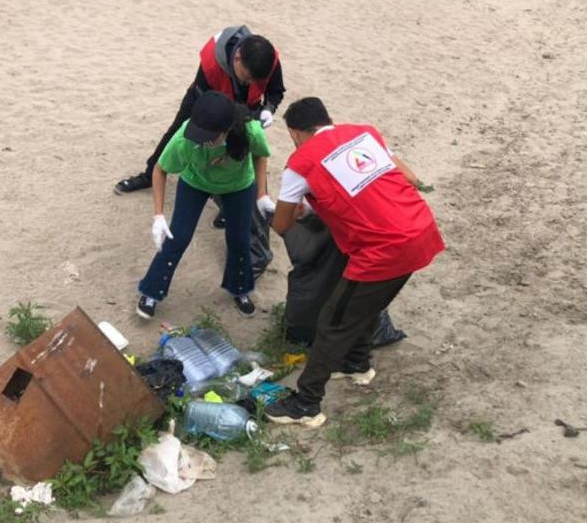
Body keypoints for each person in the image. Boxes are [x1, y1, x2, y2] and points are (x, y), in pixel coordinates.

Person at [264, 98, 445, 427]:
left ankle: (306, 403)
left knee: (333, 320)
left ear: (294, 133)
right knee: (366, 303)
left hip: (384, 249)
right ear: (327, 120)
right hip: (420, 229)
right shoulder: (364, 134)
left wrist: (305, 210)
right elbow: (408, 176)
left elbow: (281, 224)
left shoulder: (300, 163)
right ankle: (357, 363)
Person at [135, 91, 273, 319]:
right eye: (198, 134)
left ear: (227, 129)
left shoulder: (250, 131)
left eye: (208, 137)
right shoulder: (185, 140)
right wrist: (158, 215)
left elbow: (260, 156)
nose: (200, 141)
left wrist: (262, 194)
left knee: (239, 239)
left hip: (238, 185)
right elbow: (160, 169)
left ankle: (239, 289)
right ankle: (151, 292)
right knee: (177, 237)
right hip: (195, 182)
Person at [115, 25, 285, 195]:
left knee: (243, 145)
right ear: (237, 58)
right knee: (178, 131)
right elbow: (205, 103)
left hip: (247, 107)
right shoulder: (211, 63)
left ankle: (239, 195)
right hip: (206, 100)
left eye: (256, 81)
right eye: (247, 78)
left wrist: (268, 108)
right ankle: (149, 174)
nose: (250, 83)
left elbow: (276, 90)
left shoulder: (268, 61)